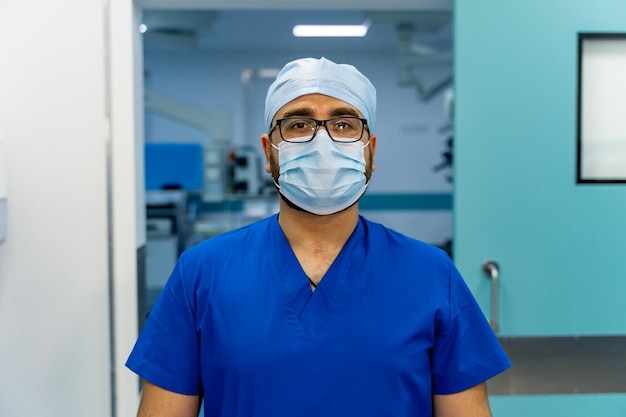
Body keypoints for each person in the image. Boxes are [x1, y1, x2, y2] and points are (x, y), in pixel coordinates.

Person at [126, 57, 511, 417]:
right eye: (298, 125)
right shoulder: (201, 274)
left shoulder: (431, 275)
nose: (321, 142)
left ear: (370, 152)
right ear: (269, 151)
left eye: (344, 124)